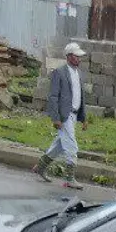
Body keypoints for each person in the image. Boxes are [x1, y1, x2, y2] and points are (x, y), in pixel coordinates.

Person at [35, 43, 87, 188]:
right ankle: (69, 178)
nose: (79, 59)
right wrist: (56, 118)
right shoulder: (59, 72)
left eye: (80, 57)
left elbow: (81, 97)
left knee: (59, 145)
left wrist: (83, 118)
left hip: (74, 115)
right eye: (76, 56)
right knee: (71, 146)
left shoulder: (78, 74)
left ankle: (40, 167)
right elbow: (53, 96)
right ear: (69, 56)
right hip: (64, 116)